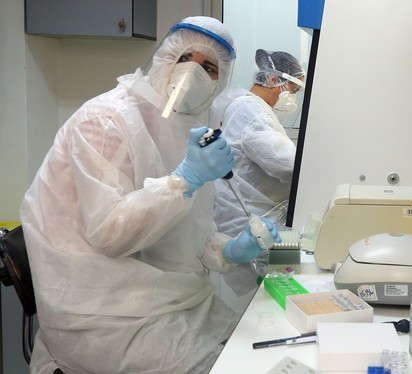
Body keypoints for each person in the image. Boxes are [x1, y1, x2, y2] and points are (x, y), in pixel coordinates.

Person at [19, 17, 280, 374]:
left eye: (210, 67)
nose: (194, 73)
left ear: (222, 80)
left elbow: (184, 233)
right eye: (186, 56)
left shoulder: (191, 129)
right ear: (164, 57)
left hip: (174, 300)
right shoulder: (105, 120)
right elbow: (110, 233)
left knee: (258, 349)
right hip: (103, 313)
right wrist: (183, 180)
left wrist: (230, 249)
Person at [211, 49, 305, 294]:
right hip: (250, 222)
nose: (292, 99)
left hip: (258, 216)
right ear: (274, 79)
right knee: (258, 302)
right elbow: (285, 162)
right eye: (293, 91)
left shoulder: (256, 109)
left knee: (266, 296)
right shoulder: (249, 111)